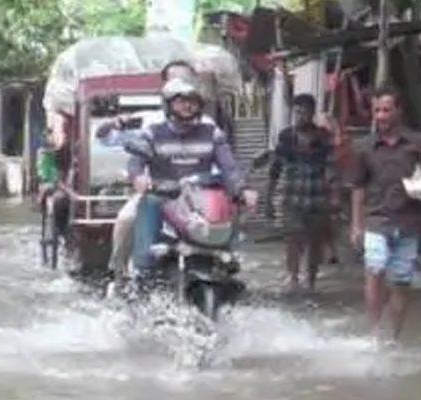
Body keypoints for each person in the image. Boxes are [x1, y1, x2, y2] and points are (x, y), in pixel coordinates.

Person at [127, 77, 255, 285]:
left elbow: (229, 167)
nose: (187, 106)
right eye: (181, 101)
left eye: (193, 101)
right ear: (168, 105)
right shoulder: (153, 132)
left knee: (229, 211)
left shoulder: (212, 132)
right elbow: (136, 162)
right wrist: (138, 177)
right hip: (163, 197)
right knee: (147, 212)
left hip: (198, 199)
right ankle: (141, 276)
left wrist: (244, 188)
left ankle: (227, 262)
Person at [107, 61, 224, 284]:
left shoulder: (208, 124)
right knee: (126, 218)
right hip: (157, 192)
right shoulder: (149, 120)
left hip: (197, 197)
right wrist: (137, 176)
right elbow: (126, 149)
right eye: (174, 80)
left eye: (186, 80)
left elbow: (222, 162)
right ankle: (120, 275)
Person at [347, 86, 421, 343]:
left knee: (401, 281)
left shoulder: (418, 144)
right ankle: (375, 333)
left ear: (398, 111)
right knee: (375, 267)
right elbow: (358, 187)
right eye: (376, 111)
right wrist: (356, 225)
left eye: (386, 110)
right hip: (376, 219)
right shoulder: (363, 147)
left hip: (408, 219)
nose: (381, 116)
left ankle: (393, 337)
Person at [267, 93, 335, 292]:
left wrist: (334, 196)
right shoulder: (286, 137)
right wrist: (269, 198)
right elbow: (275, 168)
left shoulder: (323, 137)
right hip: (293, 197)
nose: (300, 116)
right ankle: (294, 278)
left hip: (317, 197)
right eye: (296, 112)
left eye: (304, 112)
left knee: (315, 241)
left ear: (312, 113)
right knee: (292, 239)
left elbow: (331, 167)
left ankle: (311, 281)